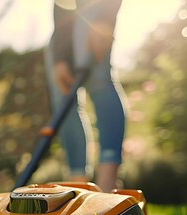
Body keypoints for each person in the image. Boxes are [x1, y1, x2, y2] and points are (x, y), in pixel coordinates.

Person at [45, 0, 126, 192]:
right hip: (64, 24)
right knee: (63, 101)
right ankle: (78, 185)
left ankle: (107, 183)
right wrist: (60, 56)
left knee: (100, 82)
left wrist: (105, 20)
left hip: (96, 8)